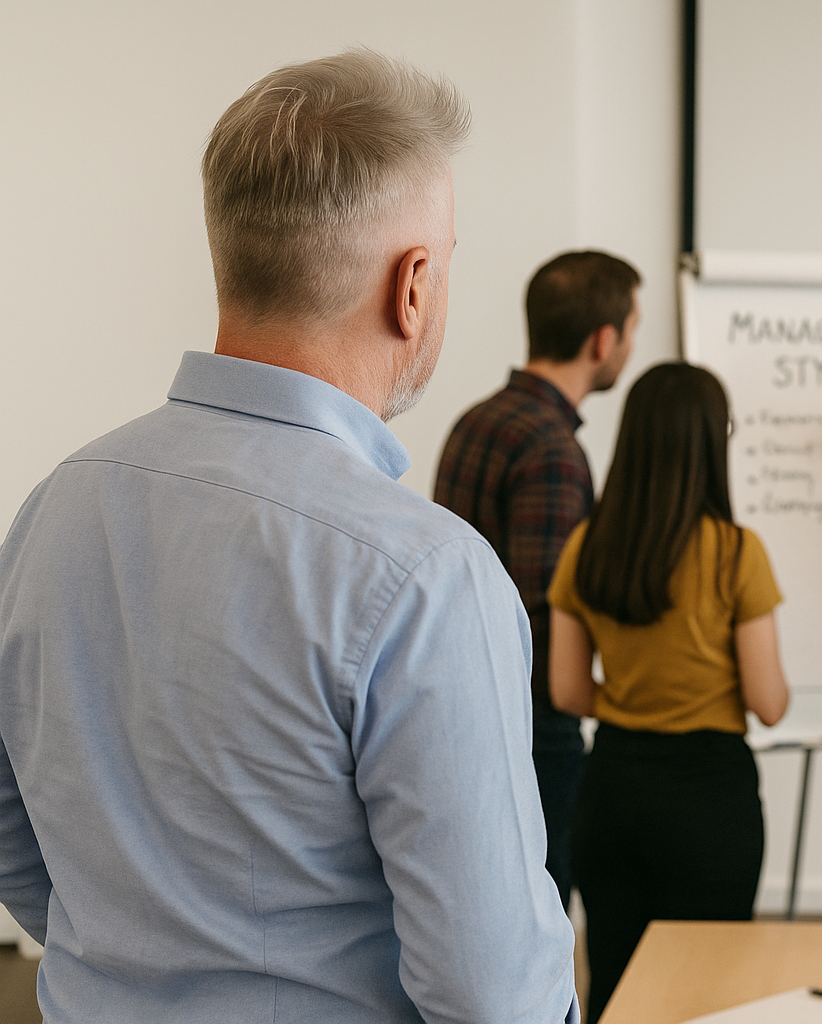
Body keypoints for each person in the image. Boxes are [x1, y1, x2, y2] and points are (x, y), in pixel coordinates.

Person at [0, 52, 577, 1023]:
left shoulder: (52, 508)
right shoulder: (423, 575)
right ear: (415, 285)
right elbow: (493, 994)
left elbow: (15, 844)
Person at [547, 362, 790, 1021]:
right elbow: (769, 703)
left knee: (620, 992)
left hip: (614, 791)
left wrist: (634, 703)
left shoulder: (587, 547)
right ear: (713, 441)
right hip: (711, 801)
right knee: (708, 999)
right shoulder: (738, 553)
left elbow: (567, 691)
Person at [434, 248, 639, 909]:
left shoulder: (476, 420)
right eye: (633, 330)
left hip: (466, 708)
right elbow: (542, 612)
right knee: (541, 911)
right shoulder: (553, 447)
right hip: (532, 728)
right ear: (602, 339)